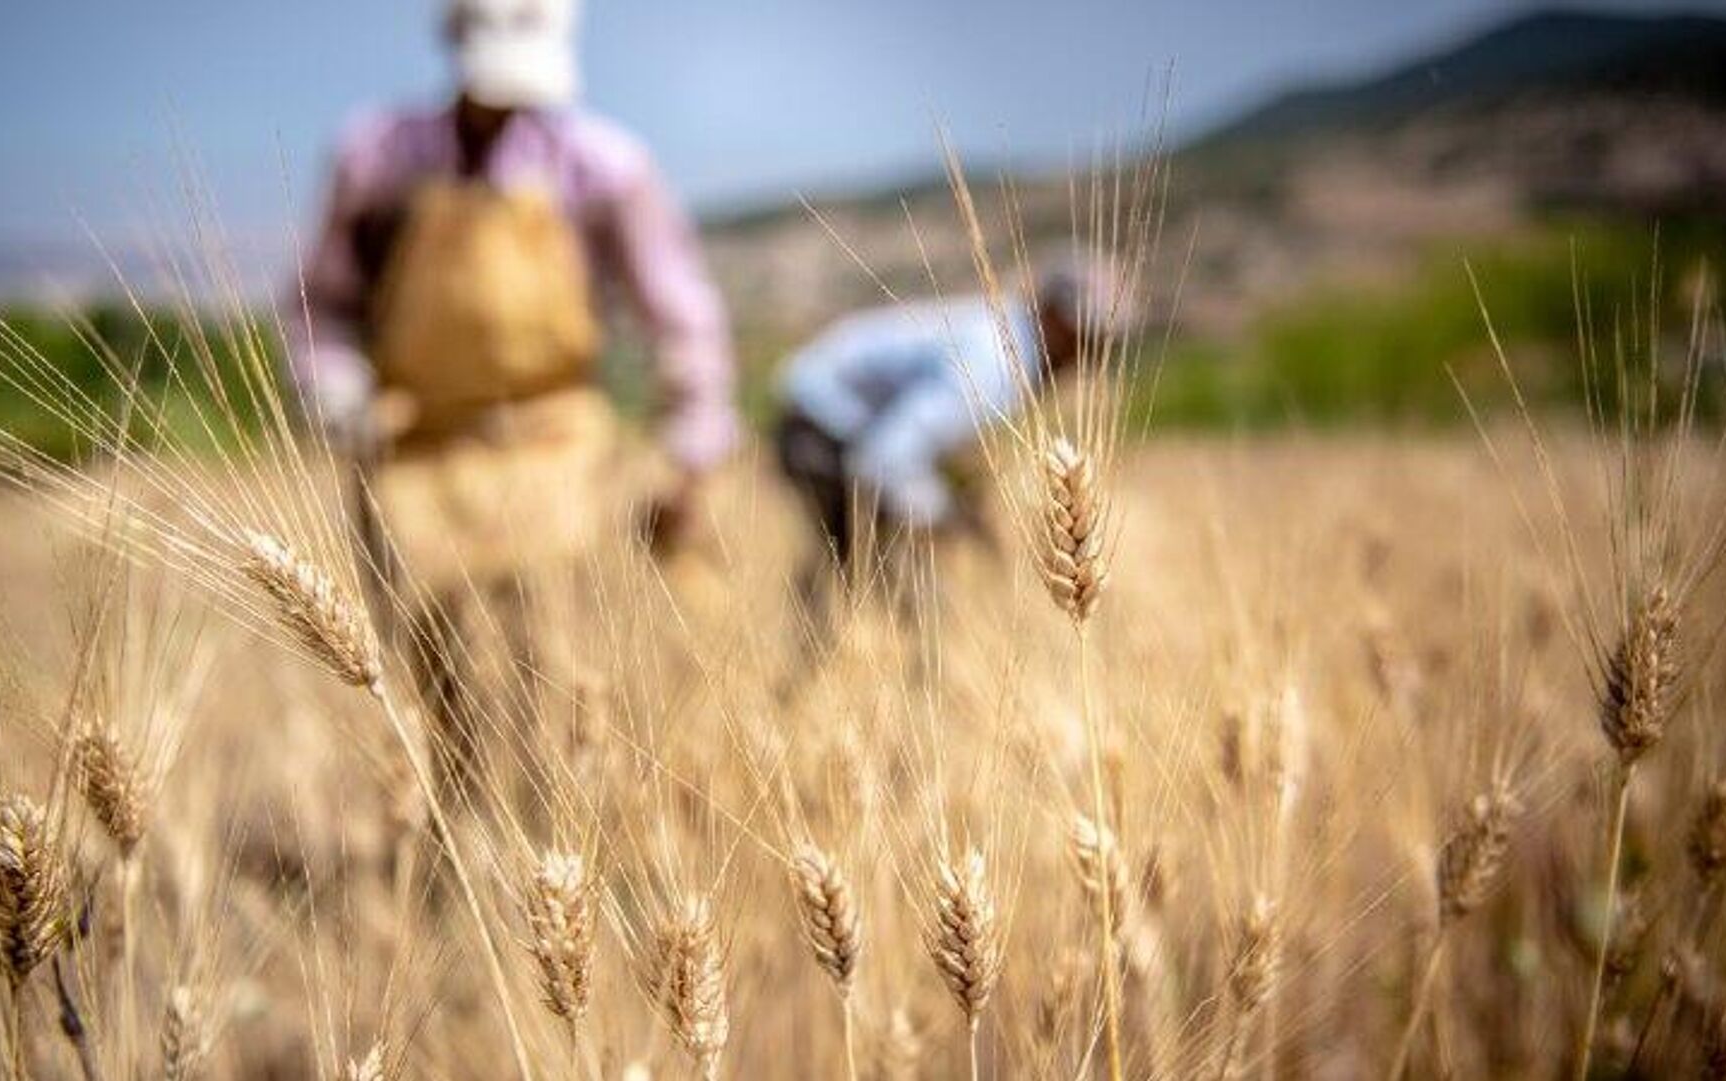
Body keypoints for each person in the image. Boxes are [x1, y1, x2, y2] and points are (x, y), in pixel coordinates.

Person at [285, 0, 737, 783]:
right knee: (440, 690)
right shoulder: (377, 157)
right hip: (412, 455)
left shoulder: (606, 167)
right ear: (454, 43)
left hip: (553, 450)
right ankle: (458, 854)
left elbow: (684, 316)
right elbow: (318, 301)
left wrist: (690, 450)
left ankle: (550, 838)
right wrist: (335, 385)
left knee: (551, 679)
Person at [774, 255, 1134, 586]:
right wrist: (943, 517)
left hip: (830, 413)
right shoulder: (993, 366)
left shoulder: (1009, 339)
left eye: (1105, 340)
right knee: (905, 588)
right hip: (821, 423)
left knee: (863, 568)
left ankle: (818, 637)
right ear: (1052, 316)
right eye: (1087, 335)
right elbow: (885, 455)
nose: (1094, 353)